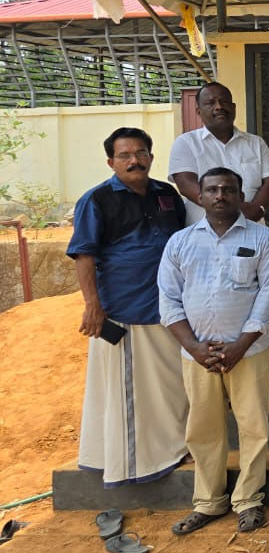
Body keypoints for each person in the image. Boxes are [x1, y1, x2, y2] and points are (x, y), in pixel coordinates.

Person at [158, 167, 269, 535]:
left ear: (240, 194)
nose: (220, 196)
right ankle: (209, 501)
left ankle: (248, 500)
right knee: (203, 429)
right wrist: (193, 347)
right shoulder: (180, 242)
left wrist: (241, 345)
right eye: (212, 189)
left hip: (249, 350)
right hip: (197, 354)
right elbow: (168, 300)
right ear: (200, 195)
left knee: (253, 426)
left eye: (228, 189)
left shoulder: (263, 238)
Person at [66, 128, 189, 487]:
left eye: (141, 153)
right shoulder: (97, 200)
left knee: (171, 386)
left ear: (151, 157)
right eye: (125, 156)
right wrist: (93, 305)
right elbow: (84, 255)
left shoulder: (166, 194)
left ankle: (174, 448)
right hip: (125, 309)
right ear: (111, 162)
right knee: (132, 395)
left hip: (168, 307)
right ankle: (138, 464)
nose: (134, 161)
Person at [169, 82, 269, 225]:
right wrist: (231, 209)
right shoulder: (185, 143)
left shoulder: (255, 143)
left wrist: (257, 209)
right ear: (198, 111)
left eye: (224, 101)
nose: (219, 106)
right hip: (204, 234)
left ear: (233, 107)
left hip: (252, 230)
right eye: (210, 103)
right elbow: (185, 184)